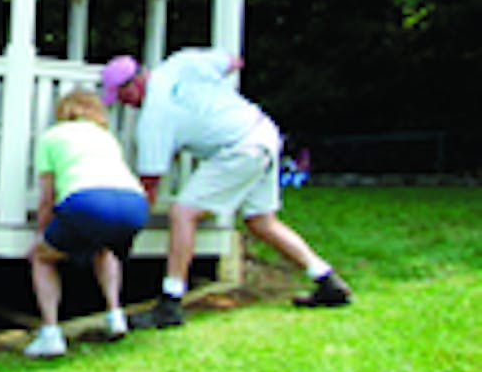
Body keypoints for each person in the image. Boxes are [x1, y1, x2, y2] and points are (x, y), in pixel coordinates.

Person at [100, 50, 352, 330]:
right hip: (263, 132)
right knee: (260, 221)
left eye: (122, 97)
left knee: (183, 213)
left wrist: (126, 227)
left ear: (133, 85)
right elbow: (234, 61)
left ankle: (170, 304)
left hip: (238, 149)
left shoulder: (153, 120)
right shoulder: (181, 63)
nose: (125, 105)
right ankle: (327, 280)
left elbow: (150, 186)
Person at [23, 89, 149, 358]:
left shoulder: (51, 138)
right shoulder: (106, 137)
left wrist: (40, 234)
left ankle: (50, 333)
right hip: (134, 203)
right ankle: (115, 315)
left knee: (43, 258)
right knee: (105, 249)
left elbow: (48, 197)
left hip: (87, 201)